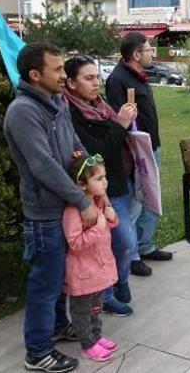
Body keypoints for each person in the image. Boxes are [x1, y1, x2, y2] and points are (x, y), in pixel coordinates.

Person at [4, 42, 95, 372]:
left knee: (59, 279)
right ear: (34, 74)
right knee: (45, 284)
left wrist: (93, 170)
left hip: (64, 207)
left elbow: (75, 147)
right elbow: (44, 166)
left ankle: (58, 326)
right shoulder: (23, 112)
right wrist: (82, 199)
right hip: (43, 214)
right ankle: (38, 352)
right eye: (57, 70)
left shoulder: (57, 102)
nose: (63, 75)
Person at [64, 55, 138, 317]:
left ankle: (118, 279)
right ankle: (109, 291)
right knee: (123, 242)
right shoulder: (72, 114)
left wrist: (125, 123)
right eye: (89, 78)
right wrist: (121, 124)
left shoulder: (98, 105)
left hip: (118, 181)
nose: (97, 82)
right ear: (71, 83)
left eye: (97, 76)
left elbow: (115, 140)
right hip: (99, 190)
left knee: (121, 242)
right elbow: (96, 152)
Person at [105, 32, 172, 277]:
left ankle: (145, 245)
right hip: (136, 151)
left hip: (151, 146)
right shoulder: (119, 80)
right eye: (148, 49)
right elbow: (119, 118)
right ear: (135, 54)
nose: (152, 52)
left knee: (151, 198)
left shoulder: (140, 76)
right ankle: (131, 254)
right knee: (135, 202)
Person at [62, 152, 119, 363]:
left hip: (98, 269)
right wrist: (99, 228)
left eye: (105, 177)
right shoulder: (73, 211)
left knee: (96, 308)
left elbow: (105, 227)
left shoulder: (98, 203)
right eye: (99, 178)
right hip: (83, 274)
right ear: (81, 184)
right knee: (81, 312)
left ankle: (96, 337)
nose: (105, 182)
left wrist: (111, 219)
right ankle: (87, 345)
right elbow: (75, 243)